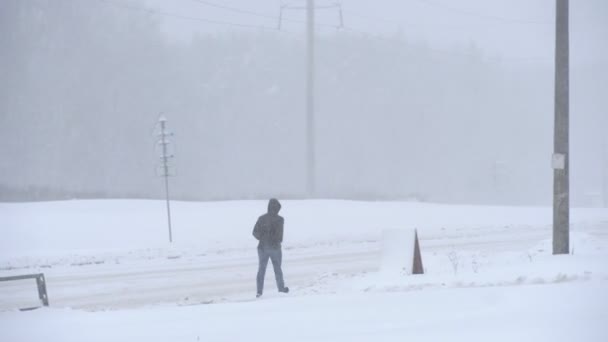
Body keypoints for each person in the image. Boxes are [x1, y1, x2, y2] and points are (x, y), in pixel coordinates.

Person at [252, 198, 289, 298]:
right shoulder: (280, 220)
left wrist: (262, 237)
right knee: (277, 269)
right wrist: (274, 240)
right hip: (275, 248)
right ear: (277, 208)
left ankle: (259, 292)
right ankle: (281, 289)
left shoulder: (261, 218)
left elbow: (254, 233)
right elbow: (280, 237)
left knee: (261, 270)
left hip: (262, 247)